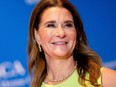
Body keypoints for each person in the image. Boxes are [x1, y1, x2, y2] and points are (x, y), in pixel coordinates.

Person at [27, 0, 116, 87]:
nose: (61, 33)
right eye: (51, 25)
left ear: (76, 33)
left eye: (68, 25)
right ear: (37, 36)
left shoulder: (105, 79)